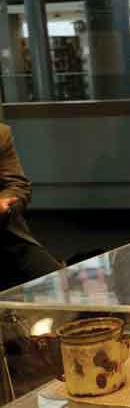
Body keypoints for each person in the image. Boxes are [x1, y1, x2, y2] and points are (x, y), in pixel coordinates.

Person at [0, 123, 62, 290]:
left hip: (6, 234)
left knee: (60, 290)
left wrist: (3, 203)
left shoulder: (1, 133)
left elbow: (18, 186)